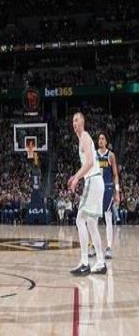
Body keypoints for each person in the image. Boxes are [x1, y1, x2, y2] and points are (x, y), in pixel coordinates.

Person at [68, 112, 107, 276]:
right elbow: (88, 163)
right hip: (97, 181)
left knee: (80, 219)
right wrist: (76, 176)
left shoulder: (84, 136)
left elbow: (90, 162)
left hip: (93, 181)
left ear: (83, 122)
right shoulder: (82, 138)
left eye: (76, 120)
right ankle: (101, 262)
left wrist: (77, 178)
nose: (74, 123)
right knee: (91, 224)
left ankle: (85, 262)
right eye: (73, 120)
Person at [89, 132, 119, 259]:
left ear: (106, 142)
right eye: (99, 139)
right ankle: (93, 246)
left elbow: (115, 175)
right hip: (96, 189)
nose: (100, 140)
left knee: (108, 218)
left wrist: (117, 192)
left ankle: (109, 247)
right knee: (93, 219)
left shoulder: (110, 155)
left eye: (103, 138)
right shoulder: (94, 154)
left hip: (107, 188)